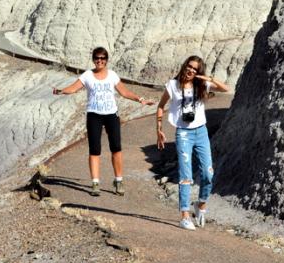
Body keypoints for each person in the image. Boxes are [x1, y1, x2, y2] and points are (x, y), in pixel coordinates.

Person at [53, 47, 154, 196]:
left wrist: (140, 99)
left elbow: (124, 92)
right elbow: (74, 88)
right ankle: (95, 183)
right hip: (94, 115)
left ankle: (118, 180)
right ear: (93, 59)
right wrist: (60, 91)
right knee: (94, 149)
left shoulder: (112, 75)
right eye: (97, 58)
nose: (99, 61)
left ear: (106, 60)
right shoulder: (88, 75)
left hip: (111, 115)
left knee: (116, 148)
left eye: (102, 58)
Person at [156, 55, 229, 230]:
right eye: (189, 66)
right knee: (185, 175)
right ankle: (185, 215)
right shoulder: (172, 86)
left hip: (201, 132)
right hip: (183, 134)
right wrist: (158, 129)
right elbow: (161, 105)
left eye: (195, 69)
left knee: (208, 173)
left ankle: (201, 204)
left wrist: (208, 79)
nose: (191, 70)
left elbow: (226, 89)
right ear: (184, 65)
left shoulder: (201, 85)